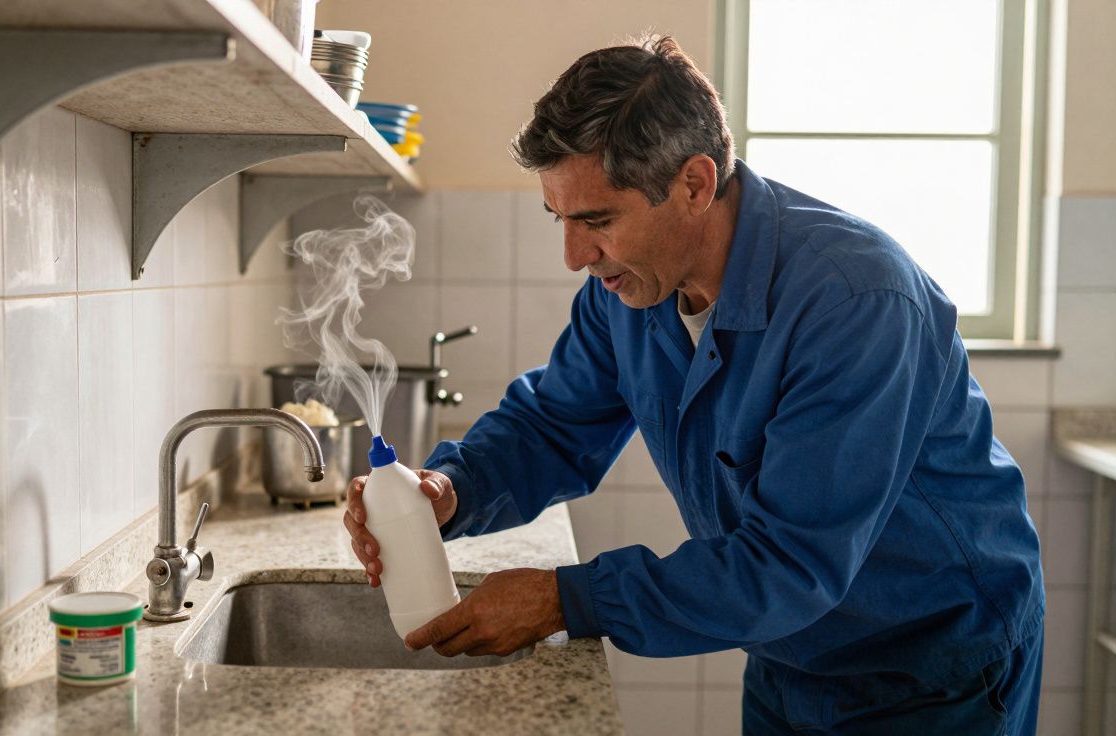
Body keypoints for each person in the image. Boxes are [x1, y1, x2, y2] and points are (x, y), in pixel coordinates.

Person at [343, 35, 1044, 735]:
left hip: (933, 669)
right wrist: (446, 491)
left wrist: (568, 599)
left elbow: (791, 564)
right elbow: (552, 427)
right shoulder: (629, 291)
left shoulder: (857, 301)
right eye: (561, 220)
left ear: (695, 185)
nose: (574, 257)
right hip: (790, 652)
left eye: (597, 220)